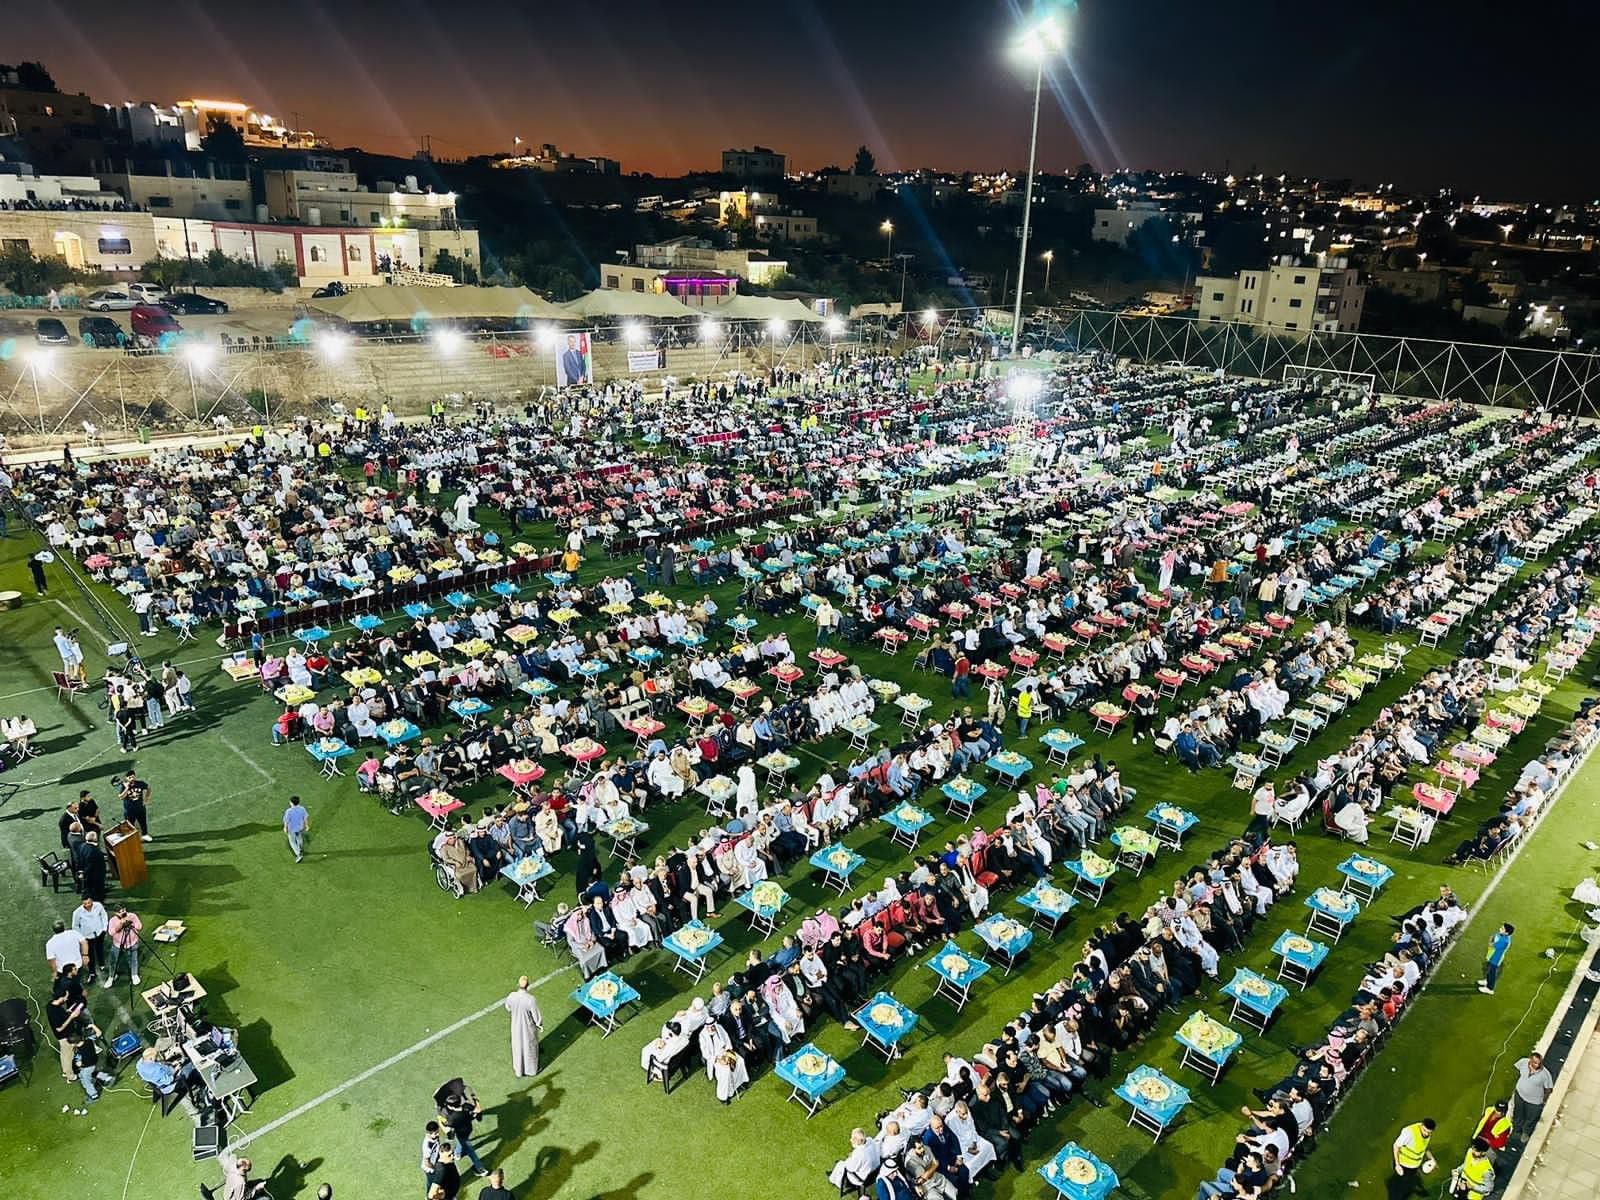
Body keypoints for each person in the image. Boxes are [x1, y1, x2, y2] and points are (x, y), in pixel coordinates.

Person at [504, 975, 543, 1077]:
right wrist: (539, 1024)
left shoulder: (512, 996)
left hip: (516, 1026)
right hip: (527, 1027)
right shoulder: (530, 999)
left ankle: (519, 1070)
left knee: (517, 1047)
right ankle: (532, 1070)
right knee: (529, 1047)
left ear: (518, 984)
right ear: (528, 985)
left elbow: (508, 1007)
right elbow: (536, 1016)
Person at [1510, 1051, 1554, 1141]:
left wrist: (1543, 1100)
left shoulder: (1545, 1074)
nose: (1537, 1065)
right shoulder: (1523, 1062)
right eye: (1535, 1062)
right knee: (1518, 1113)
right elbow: (1517, 1069)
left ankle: (1526, 1133)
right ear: (1530, 1060)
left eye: (1539, 1063)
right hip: (1520, 1095)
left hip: (1534, 1102)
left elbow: (1549, 1089)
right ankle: (1516, 1130)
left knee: (1531, 1118)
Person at [1390, 1117, 1436, 1199]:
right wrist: (1397, 1165)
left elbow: (1424, 1148)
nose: (1426, 1134)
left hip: (1413, 1166)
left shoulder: (1427, 1135)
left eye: (1429, 1132)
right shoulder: (1409, 1133)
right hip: (1403, 1164)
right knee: (1399, 1186)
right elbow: (1396, 1146)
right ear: (1421, 1125)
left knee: (1407, 1182)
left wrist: (1432, 1159)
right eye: (1425, 1130)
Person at [72, 897, 109, 984]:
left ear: (92, 901)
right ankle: (92, 972)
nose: (87, 905)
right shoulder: (77, 912)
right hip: (87, 937)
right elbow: (75, 926)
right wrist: (81, 937)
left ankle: (102, 964)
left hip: (99, 933)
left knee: (100, 949)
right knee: (90, 955)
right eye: (85, 904)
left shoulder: (98, 906)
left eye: (89, 903)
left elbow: (104, 916)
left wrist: (104, 929)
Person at [105, 906, 143, 986]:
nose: (122, 913)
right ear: (115, 913)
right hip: (118, 945)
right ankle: (111, 977)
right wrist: (121, 924)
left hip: (132, 943)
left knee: (133, 960)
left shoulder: (132, 916)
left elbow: (139, 927)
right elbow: (111, 932)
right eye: (119, 912)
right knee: (114, 961)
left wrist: (132, 922)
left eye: (123, 910)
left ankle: (134, 975)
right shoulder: (112, 921)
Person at [1479, 923, 1513, 994]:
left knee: (1492, 973)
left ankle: (1490, 988)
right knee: (1489, 970)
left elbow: (1491, 945)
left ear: (1506, 933)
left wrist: (1490, 940)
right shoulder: (1503, 935)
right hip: (1492, 956)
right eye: (1501, 927)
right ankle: (1487, 981)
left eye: (1502, 929)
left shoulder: (1505, 941)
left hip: (1495, 959)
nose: (1500, 929)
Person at [120, 772, 154, 842]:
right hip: (129, 811)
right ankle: (132, 839)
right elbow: (121, 797)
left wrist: (146, 799)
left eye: (133, 777)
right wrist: (127, 788)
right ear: (126, 778)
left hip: (140, 808)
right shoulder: (123, 786)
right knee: (130, 826)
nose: (132, 779)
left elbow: (148, 788)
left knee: (143, 823)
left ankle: (145, 835)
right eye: (129, 777)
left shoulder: (140, 783)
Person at [283, 795, 310, 862]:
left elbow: (286, 820)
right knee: (299, 838)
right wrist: (306, 825)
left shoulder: (289, 811)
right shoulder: (302, 808)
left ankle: (299, 854)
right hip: (300, 828)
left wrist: (285, 827)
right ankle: (300, 848)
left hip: (291, 829)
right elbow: (305, 817)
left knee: (292, 841)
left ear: (291, 802)